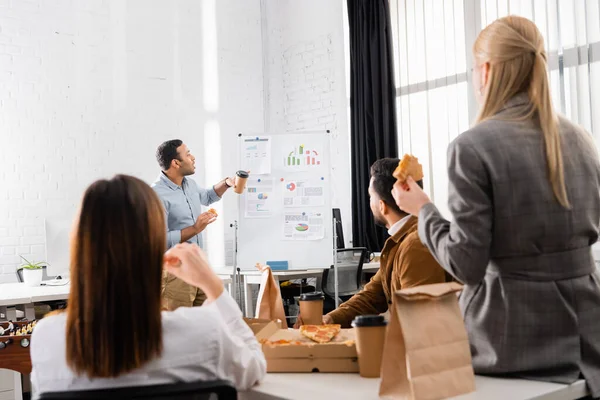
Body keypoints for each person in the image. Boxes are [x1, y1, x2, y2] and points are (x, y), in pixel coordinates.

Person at [392, 16, 600, 395]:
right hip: (589, 338)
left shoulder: (472, 147)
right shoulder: (582, 140)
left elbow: (466, 264)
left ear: (485, 70)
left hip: (509, 343)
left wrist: (422, 209)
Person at [30, 175, 266, 398]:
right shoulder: (203, 330)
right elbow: (255, 366)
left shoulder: (47, 337)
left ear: (80, 246)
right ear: (155, 243)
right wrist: (214, 288)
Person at [296, 158, 449, 328]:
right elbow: (372, 296)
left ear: (382, 206)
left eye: (370, 196)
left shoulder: (416, 244)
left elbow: (420, 320)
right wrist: (330, 319)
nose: (369, 202)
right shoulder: (400, 241)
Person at [152, 139, 235, 310]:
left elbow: (208, 196)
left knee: (208, 321)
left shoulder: (189, 184)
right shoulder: (156, 194)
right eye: (188, 154)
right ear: (176, 163)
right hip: (175, 273)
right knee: (178, 329)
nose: (193, 157)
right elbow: (158, 239)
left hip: (198, 266)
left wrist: (226, 183)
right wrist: (195, 229)